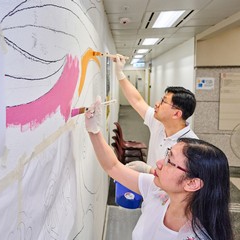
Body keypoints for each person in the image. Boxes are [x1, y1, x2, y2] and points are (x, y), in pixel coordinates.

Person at [85, 102, 234, 239]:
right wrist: (94, 131)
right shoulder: (159, 192)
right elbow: (113, 167)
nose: (159, 163)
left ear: (192, 183)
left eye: (170, 161)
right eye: (166, 155)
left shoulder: (195, 236)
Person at [114, 54, 198, 173]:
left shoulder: (191, 146)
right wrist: (119, 73)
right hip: (149, 188)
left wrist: (150, 171)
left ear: (176, 114)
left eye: (163, 101)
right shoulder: (158, 123)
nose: (157, 104)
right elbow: (137, 101)